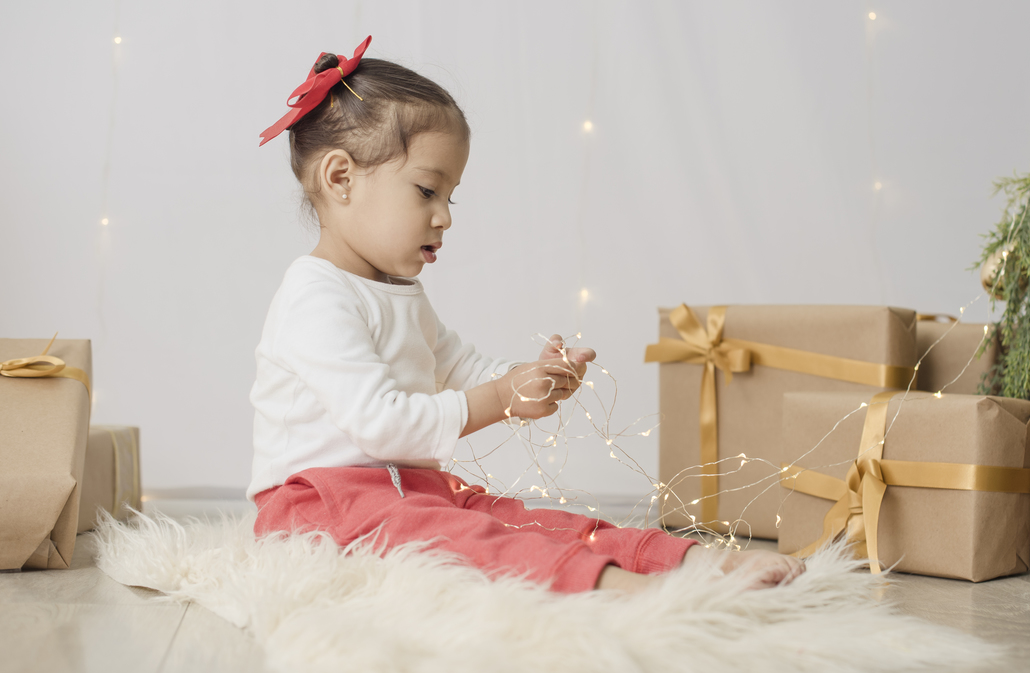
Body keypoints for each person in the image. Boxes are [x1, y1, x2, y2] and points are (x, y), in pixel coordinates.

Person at [248, 36, 804, 593]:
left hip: (409, 488)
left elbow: (459, 365)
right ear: (340, 178)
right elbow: (381, 425)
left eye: (451, 197)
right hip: (314, 508)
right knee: (465, 540)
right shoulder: (314, 296)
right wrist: (500, 399)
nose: (444, 217)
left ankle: (687, 563)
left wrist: (529, 377)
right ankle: (624, 591)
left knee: (524, 519)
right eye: (426, 191)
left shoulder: (398, 292)